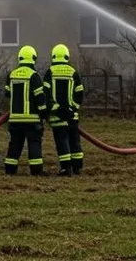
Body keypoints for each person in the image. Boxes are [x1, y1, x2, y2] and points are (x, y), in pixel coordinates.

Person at [4, 44, 48, 176]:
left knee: (14, 145)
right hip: (32, 119)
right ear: (33, 58)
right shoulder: (34, 76)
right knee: (34, 144)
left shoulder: (12, 74)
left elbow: (7, 94)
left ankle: (10, 169)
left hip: (15, 119)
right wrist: (44, 113)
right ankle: (36, 170)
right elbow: (40, 97)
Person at [44, 43, 85, 176]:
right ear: (67, 56)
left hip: (57, 117)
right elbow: (80, 92)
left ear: (54, 56)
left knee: (62, 142)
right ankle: (77, 168)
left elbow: (46, 93)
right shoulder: (73, 72)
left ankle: (66, 168)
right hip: (72, 116)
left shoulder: (50, 72)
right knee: (75, 141)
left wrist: (55, 109)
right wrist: (72, 108)